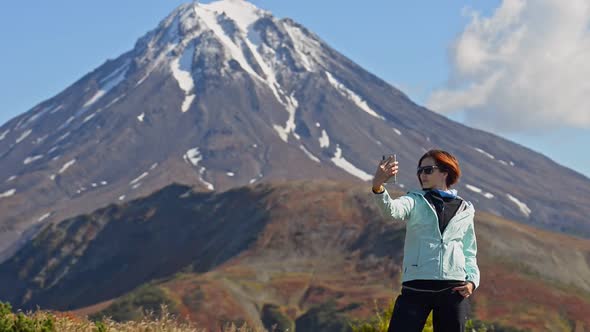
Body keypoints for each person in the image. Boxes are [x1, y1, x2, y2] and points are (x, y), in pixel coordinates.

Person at [371, 149, 480, 332]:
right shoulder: (414, 200)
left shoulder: (465, 209)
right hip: (416, 285)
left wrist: (472, 281)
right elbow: (391, 210)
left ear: (446, 172)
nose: (422, 175)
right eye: (420, 171)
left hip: (453, 288)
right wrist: (378, 186)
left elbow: (469, 250)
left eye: (428, 170)